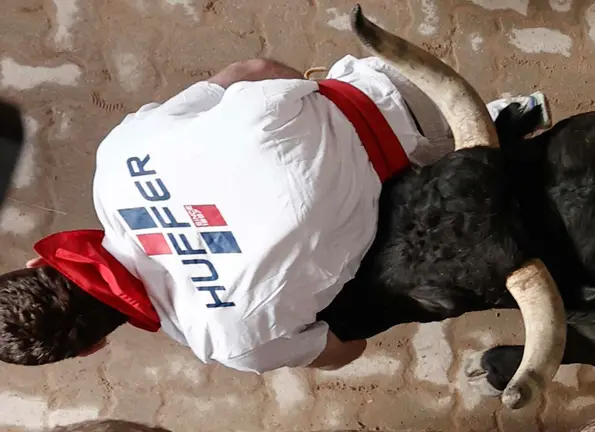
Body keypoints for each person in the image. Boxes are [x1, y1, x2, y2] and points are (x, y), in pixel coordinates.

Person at [0, 56, 551, 374]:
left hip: (406, 194)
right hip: (391, 92)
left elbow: (345, 350)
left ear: (96, 344)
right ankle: (500, 117)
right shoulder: (116, 161)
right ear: (34, 260)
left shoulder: (226, 341)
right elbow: (253, 68)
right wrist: (315, 101)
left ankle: (497, 135)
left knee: (363, 280)